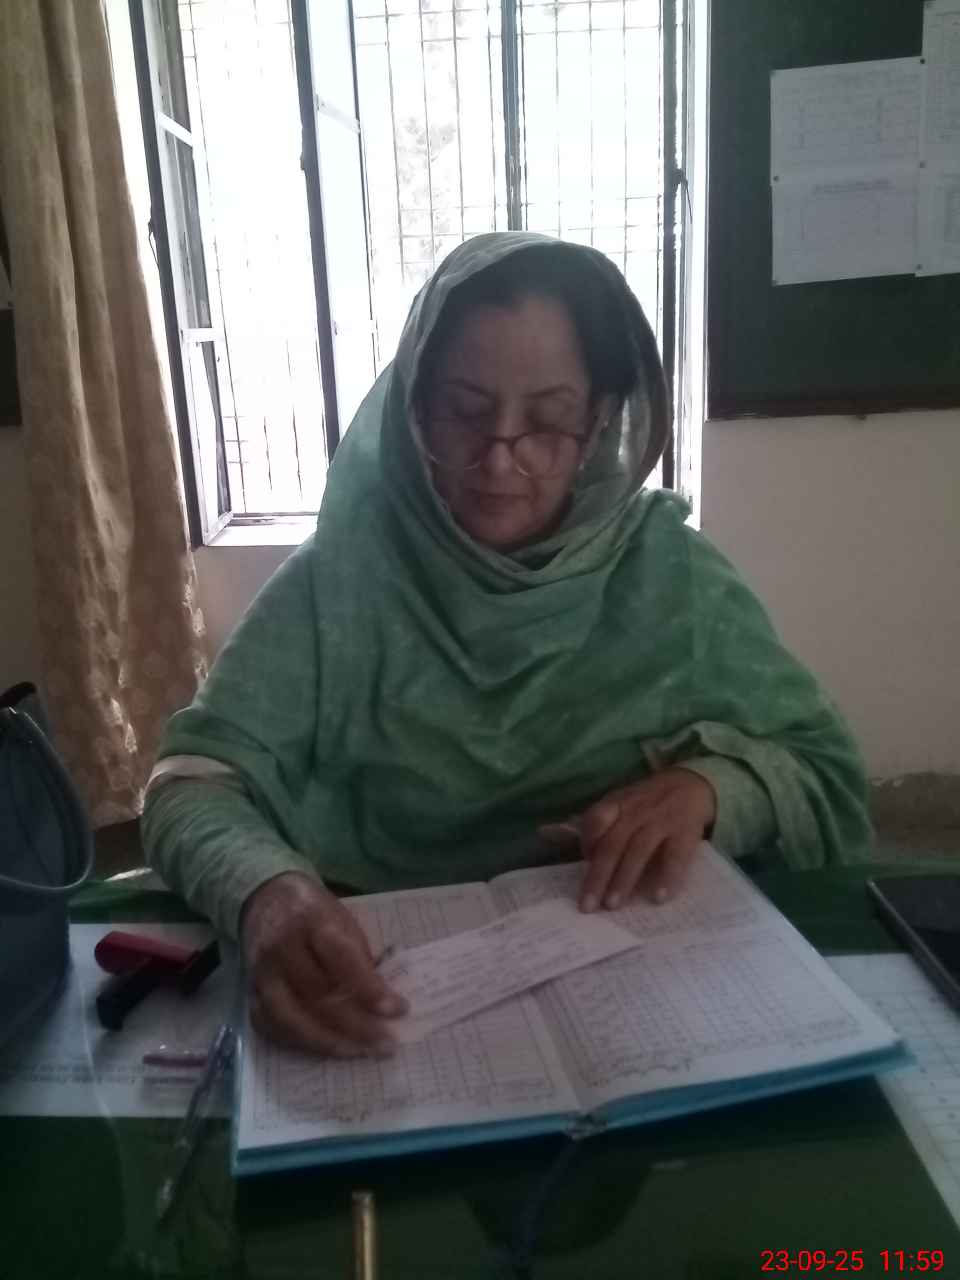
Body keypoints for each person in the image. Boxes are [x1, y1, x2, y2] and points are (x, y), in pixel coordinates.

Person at [143, 233, 872, 1060]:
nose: (499, 460)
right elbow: (189, 784)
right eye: (463, 413)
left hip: (638, 986)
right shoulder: (338, 584)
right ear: (413, 405)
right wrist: (264, 892)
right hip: (380, 986)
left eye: (549, 421)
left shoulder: (674, 581)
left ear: (599, 418)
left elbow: (824, 771)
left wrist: (713, 788)